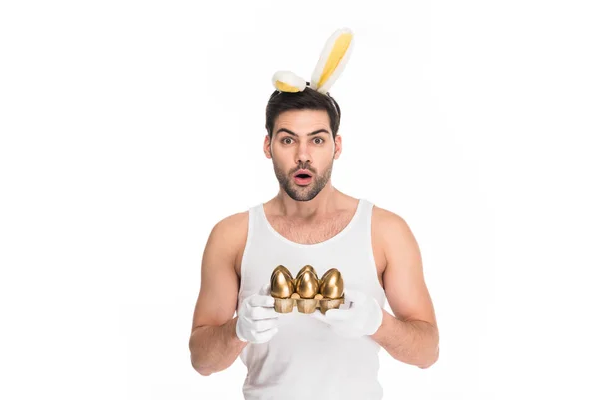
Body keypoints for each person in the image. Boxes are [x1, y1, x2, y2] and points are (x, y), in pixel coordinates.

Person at [188, 28, 439, 400]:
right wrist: (237, 330)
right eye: (288, 139)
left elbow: (427, 352)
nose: (303, 154)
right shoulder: (233, 235)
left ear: (336, 146)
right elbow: (202, 361)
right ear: (267, 146)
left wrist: (378, 323)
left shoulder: (385, 231)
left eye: (317, 140)